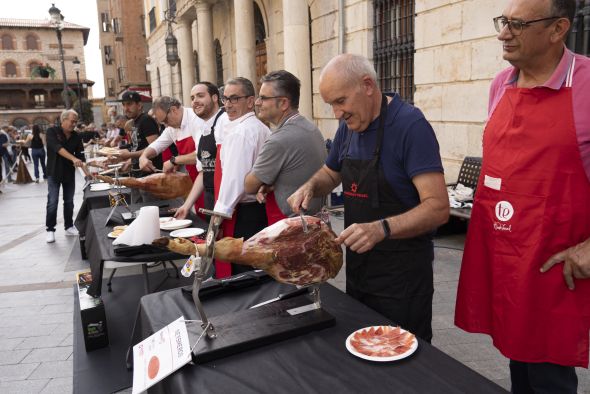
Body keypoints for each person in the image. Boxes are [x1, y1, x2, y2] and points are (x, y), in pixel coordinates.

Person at [454, 0, 590, 392]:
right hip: (506, 256)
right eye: (503, 22)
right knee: (518, 363)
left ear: (557, 28)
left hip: (553, 265)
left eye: (516, 24)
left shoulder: (584, 85)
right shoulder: (501, 84)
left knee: (549, 375)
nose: (502, 33)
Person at [287, 54, 449, 342]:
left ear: (367, 85)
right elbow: (330, 172)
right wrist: (311, 186)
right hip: (360, 272)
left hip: (402, 280)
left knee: (402, 364)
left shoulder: (410, 126)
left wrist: (381, 228)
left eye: (340, 101)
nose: (337, 113)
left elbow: (437, 208)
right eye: (331, 105)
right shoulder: (348, 126)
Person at [244, 70, 326, 224]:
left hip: (293, 227)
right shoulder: (310, 127)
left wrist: (262, 180)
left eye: (263, 98)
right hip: (312, 222)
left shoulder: (279, 139)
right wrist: (271, 182)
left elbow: (249, 185)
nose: (257, 103)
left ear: (283, 103)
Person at [213, 77, 270, 276]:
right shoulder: (260, 127)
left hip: (244, 214)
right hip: (258, 211)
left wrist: (216, 220)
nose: (227, 105)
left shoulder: (242, 132)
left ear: (250, 101)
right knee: (258, 269)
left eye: (234, 99)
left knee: (244, 274)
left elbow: (234, 182)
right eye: (225, 99)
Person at [175, 82, 229, 219]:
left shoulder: (226, 122)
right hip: (210, 197)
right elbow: (204, 171)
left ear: (215, 98)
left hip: (227, 202)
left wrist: (224, 207)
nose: (195, 101)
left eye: (200, 96)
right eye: (192, 98)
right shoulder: (202, 127)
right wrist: (186, 206)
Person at [45, 109, 90, 243]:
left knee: (69, 202)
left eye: (76, 122)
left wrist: (88, 174)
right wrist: (73, 159)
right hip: (54, 172)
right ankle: (50, 229)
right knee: (52, 201)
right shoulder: (52, 131)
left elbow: (81, 157)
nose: (74, 124)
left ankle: (69, 226)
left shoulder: (76, 136)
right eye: (72, 121)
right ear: (63, 120)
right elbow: (58, 148)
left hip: (69, 173)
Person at [116, 90, 162, 202]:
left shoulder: (146, 120)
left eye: (129, 104)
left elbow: (155, 148)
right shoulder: (135, 122)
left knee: (149, 212)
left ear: (139, 105)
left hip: (149, 177)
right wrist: (117, 153)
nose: (126, 108)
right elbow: (136, 145)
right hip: (137, 175)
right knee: (136, 211)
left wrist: (129, 155)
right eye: (124, 105)